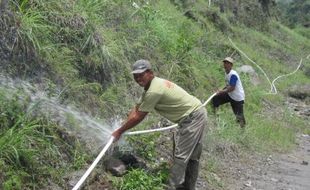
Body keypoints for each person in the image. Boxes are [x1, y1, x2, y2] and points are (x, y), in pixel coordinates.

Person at [112, 59, 208, 190]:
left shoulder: (154, 90)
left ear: (150, 73)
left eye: (141, 74)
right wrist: (121, 128)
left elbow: (139, 116)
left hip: (193, 118)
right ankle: (188, 187)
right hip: (196, 114)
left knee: (181, 156)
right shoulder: (151, 86)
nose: (138, 78)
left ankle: (172, 186)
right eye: (136, 76)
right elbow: (136, 109)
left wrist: (119, 131)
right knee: (191, 156)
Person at [212, 57, 246, 128]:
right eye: (224, 62)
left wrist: (221, 91)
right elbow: (228, 85)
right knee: (216, 98)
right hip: (230, 95)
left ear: (231, 65)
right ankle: (215, 117)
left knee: (239, 116)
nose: (225, 64)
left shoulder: (233, 74)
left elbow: (232, 88)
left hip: (237, 98)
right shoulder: (226, 73)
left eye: (227, 63)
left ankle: (242, 130)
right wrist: (221, 90)